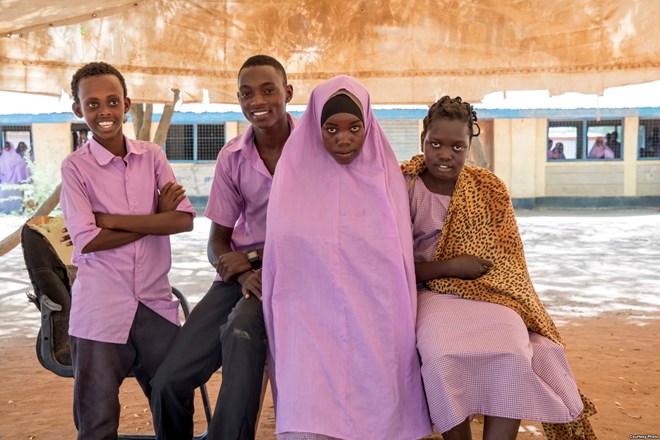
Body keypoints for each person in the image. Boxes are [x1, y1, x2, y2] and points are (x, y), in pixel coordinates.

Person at [400, 96, 598, 440]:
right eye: (436, 144)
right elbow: (393, 266)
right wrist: (449, 267)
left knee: (512, 351)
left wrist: (471, 275)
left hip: (490, 294)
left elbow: (508, 261)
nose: (445, 155)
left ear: (469, 147)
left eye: (457, 147)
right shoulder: (403, 186)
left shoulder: (489, 188)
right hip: (429, 293)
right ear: (422, 140)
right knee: (440, 353)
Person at [262, 75, 432, 440]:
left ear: (368, 125)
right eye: (331, 129)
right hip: (306, 308)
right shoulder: (293, 177)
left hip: (376, 307)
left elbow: (395, 255)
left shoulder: (386, 178)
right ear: (315, 128)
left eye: (354, 127)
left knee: (378, 393)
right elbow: (283, 255)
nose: (343, 139)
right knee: (309, 409)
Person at [150, 54, 295, 440]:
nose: (257, 101)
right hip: (238, 278)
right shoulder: (232, 157)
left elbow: (317, 235)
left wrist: (252, 258)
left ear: (288, 93)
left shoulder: (314, 153)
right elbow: (217, 242)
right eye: (247, 93)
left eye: (268, 90)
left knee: (241, 332)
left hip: (294, 273)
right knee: (168, 382)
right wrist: (244, 271)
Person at [59, 61, 195, 439]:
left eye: (113, 101)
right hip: (100, 309)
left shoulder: (151, 156)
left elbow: (183, 220)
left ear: (127, 105)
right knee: (97, 417)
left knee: (174, 403)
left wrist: (110, 220)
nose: (104, 112)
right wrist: (155, 217)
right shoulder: (74, 168)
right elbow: (88, 240)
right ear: (78, 110)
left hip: (155, 304)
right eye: (93, 104)